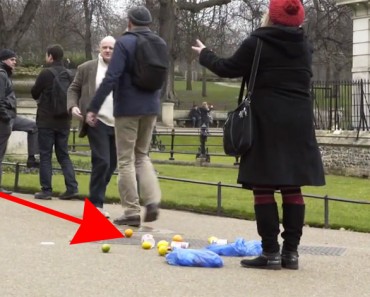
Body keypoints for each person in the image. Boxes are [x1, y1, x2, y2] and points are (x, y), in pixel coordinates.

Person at [192, 0, 325, 270]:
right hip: (298, 121)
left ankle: (271, 253)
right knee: (292, 185)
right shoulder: (304, 46)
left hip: (265, 119)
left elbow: (227, 68)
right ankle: (291, 253)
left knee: (263, 185)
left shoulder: (258, 42)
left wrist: (205, 53)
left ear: (271, 15)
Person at [87, 6, 164, 227]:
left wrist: (94, 107)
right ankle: (152, 200)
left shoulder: (125, 42)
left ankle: (131, 210)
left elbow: (112, 77)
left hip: (128, 108)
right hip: (150, 107)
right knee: (142, 155)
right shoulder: (159, 43)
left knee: (125, 160)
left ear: (130, 21)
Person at [67, 36, 116, 218]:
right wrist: (73, 106)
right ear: (99, 48)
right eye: (105, 47)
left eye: (111, 48)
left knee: (111, 165)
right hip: (96, 121)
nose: (108, 50)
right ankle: (96, 205)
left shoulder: (124, 69)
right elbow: (73, 89)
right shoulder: (86, 68)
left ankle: (96, 199)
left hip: (119, 123)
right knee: (102, 160)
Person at [31, 44, 78, 200]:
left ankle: (46, 190)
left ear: (50, 56)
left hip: (46, 120)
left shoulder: (46, 73)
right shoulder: (70, 74)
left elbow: (34, 92)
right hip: (64, 120)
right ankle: (72, 187)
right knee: (63, 155)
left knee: (45, 155)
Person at [0, 49, 39, 194]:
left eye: (15, 59)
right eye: (12, 59)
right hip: (4, 119)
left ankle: (31, 158)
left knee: (34, 126)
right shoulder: (1, 75)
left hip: (10, 117)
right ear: (4, 60)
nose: (15, 62)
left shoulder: (6, 75)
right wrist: (6, 118)